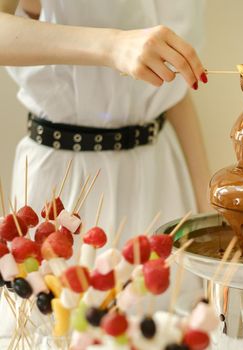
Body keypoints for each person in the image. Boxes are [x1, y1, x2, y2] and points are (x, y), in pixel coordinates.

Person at [0, 0, 210, 333]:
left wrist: (206, 216)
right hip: (67, 188)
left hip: (164, 175)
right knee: (65, 326)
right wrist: (111, 45)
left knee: (170, 329)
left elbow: (174, 91)